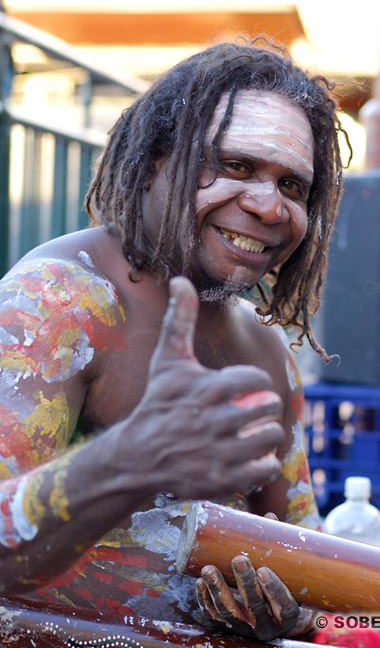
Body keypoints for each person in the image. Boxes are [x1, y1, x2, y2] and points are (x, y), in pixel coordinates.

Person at [0, 39, 346, 640]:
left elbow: (314, 567)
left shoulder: (265, 351)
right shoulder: (58, 303)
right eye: (235, 167)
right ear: (157, 160)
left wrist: (289, 614)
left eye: (293, 187)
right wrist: (126, 459)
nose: (268, 205)